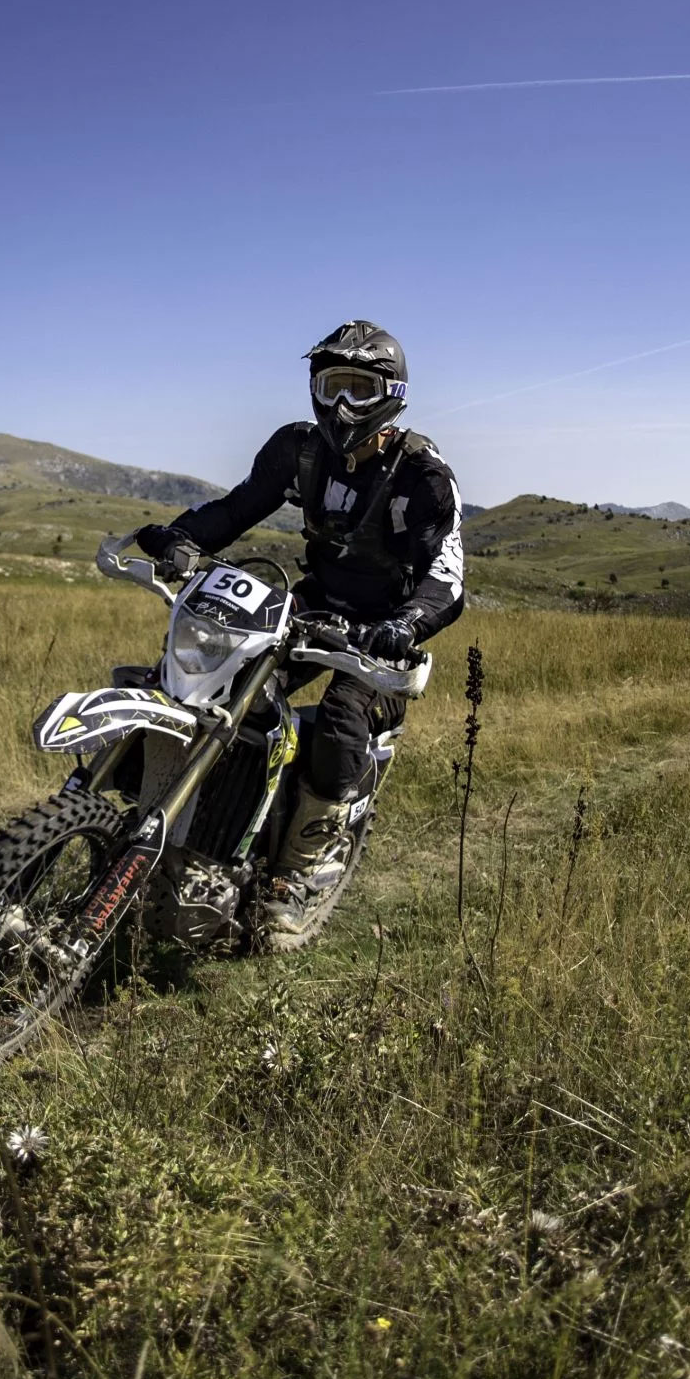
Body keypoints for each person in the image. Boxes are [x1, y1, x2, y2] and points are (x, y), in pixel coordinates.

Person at [133, 321, 465, 948]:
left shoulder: (422, 474)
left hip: (381, 629)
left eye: (359, 389)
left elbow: (447, 578)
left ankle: (298, 874)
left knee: (341, 718)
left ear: (392, 395)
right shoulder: (299, 450)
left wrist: (404, 625)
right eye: (331, 385)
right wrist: (181, 537)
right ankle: (192, 829)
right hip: (313, 602)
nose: (341, 404)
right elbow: (237, 508)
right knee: (218, 683)